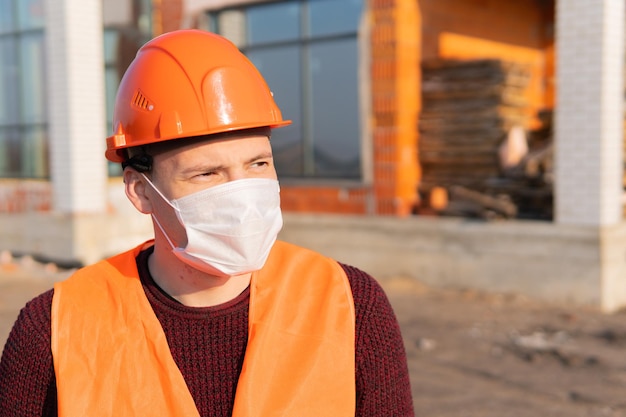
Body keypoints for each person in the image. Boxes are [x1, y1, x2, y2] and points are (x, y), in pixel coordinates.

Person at [0, 29, 414, 416]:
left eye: (258, 164)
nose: (242, 195)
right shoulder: (54, 328)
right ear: (140, 190)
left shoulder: (350, 304)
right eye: (207, 174)